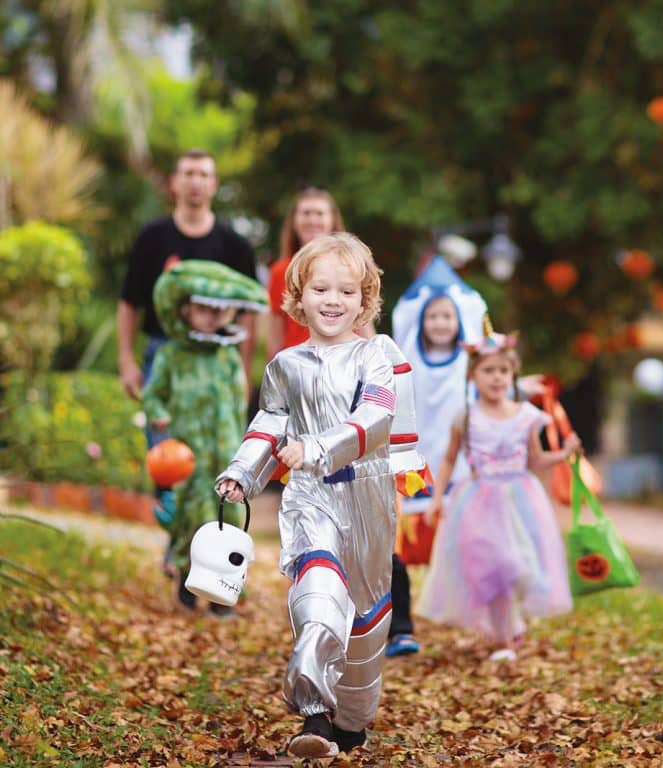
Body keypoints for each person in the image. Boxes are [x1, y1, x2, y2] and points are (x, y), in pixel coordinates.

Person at [216, 233, 397, 759]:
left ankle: (351, 721)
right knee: (317, 595)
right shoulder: (284, 366)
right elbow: (269, 427)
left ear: (365, 300)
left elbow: (376, 419)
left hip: (368, 501)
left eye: (346, 290)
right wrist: (242, 474)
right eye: (321, 288)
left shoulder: (375, 358)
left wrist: (316, 446)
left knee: (365, 625)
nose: (333, 300)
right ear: (299, 296)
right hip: (311, 500)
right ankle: (312, 710)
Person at [416, 319, 577, 662]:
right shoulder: (467, 417)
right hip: (477, 502)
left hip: (519, 500)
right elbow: (447, 460)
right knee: (490, 566)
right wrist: (436, 498)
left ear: (513, 375)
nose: (497, 377)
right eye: (488, 370)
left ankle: (508, 623)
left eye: (504, 370)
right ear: (473, 376)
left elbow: (535, 460)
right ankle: (504, 638)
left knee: (517, 566)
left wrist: (562, 454)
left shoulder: (526, 416)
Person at [141, 260, 268, 612]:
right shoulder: (172, 355)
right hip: (187, 453)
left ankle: (224, 590)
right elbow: (151, 395)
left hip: (226, 452)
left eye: (218, 311)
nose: (211, 318)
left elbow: (238, 398)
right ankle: (186, 575)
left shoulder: (227, 356)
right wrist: (159, 415)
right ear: (184, 311)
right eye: (202, 310)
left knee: (228, 518)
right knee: (192, 515)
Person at [386, 255, 488, 657]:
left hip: (457, 467)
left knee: (462, 544)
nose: (441, 323)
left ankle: (469, 616)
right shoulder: (405, 354)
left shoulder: (468, 362)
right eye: (434, 316)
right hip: (411, 461)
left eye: (448, 316)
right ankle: (401, 627)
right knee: (399, 549)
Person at [118, 149, 258, 408]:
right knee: (165, 445)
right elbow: (129, 301)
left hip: (218, 357)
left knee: (217, 446)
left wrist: (244, 372)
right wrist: (126, 360)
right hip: (162, 352)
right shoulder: (151, 237)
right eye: (189, 174)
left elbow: (247, 314)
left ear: (214, 185)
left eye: (204, 175)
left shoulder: (235, 244)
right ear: (174, 182)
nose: (196, 182)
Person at [266, 188, 345, 358]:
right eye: (306, 213)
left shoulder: (349, 268)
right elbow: (275, 337)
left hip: (342, 364)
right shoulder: (281, 272)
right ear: (294, 221)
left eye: (319, 213)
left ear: (332, 220)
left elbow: (364, 326)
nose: (312, 220)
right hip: (297, 368)